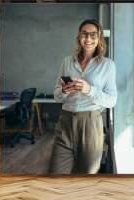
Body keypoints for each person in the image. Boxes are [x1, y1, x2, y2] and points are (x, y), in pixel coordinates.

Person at [50, 19, 117, 174]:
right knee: (55, 173)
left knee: (87, 175)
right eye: (84, 34)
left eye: (93, 35)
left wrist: (89, 89)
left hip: (91, 124)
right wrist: (64, 91)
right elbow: (56, 95)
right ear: (79, 37)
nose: (88, 39)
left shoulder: (108, 65)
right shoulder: (67, 61)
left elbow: (112, 101)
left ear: (99, 38)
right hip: (65, 122)